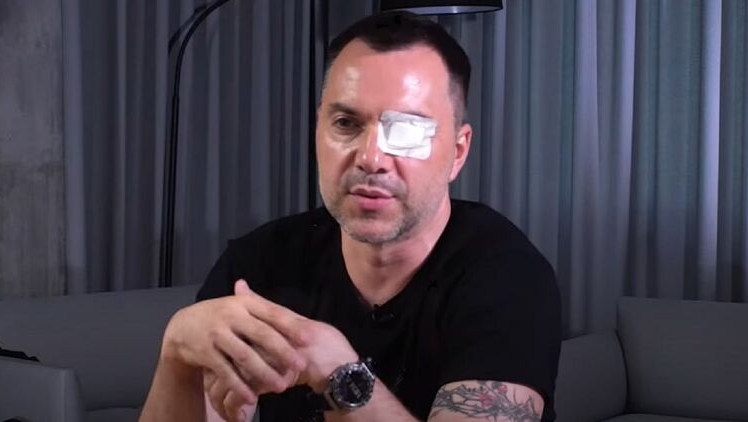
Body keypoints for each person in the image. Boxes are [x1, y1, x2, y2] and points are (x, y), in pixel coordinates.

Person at [141, 11, 560, 422]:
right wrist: (175, 355)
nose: (371, 158)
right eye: (345, 123)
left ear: (458, 152)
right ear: (317, 131)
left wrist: (337, 371)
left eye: (406, 131)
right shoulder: (260, 263)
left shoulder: (509, 278)